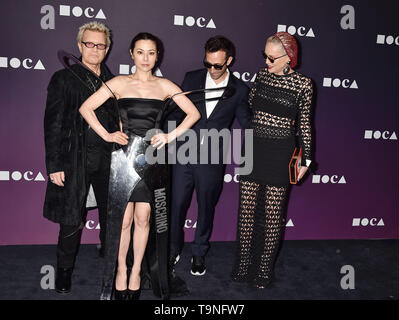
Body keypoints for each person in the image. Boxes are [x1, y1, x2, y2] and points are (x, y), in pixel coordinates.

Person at [79, 32, 200, 300]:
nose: (146, 58)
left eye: (152, 52)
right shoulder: (118, 82)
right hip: (122, 158)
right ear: (132, 54)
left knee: (144, 219)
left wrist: (169, 136)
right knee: (123, 221)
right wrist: (107, 134)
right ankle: (121, 270)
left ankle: (136, 273)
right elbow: (86, 108)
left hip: (152, 160)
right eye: (141, 52)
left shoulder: (166, 86)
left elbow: (193, 113)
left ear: (158, 56)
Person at [231, 32, 313, 289]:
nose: (266, 61)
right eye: (264, 55)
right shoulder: (262, 76)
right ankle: (243, 265)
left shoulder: (303, 85)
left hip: (281, 151)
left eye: (272, 57)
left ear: (289, 57)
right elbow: (252, 106)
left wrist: (306, 160)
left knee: (273, 214)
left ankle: (265, 268)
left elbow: (305, 126)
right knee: (246, 211)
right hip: (254, 147)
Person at [43, 21, 118, 294]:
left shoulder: (114, 81)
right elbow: (53, 124)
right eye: (90, 43)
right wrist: (54, 164)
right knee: (71, 220)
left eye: (101, 45)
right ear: (79, 46)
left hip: (108, 160)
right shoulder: (62, 79)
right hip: (74, 159)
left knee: (112, 218)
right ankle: (63, 271)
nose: (95, 49)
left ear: (107, 49)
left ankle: (112, 267)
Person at [168, 35, 252, 276]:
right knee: (177, 206)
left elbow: (247, 123)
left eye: (218, 65)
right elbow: (175, 113)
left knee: (206, 208)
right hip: (183, 155)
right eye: (208, 63)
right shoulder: (192, 78)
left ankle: (198, 253)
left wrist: (271, 130)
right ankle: (174, 248)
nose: (212, 70)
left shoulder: (239, 90)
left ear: (230, 61)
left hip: (212, 159)